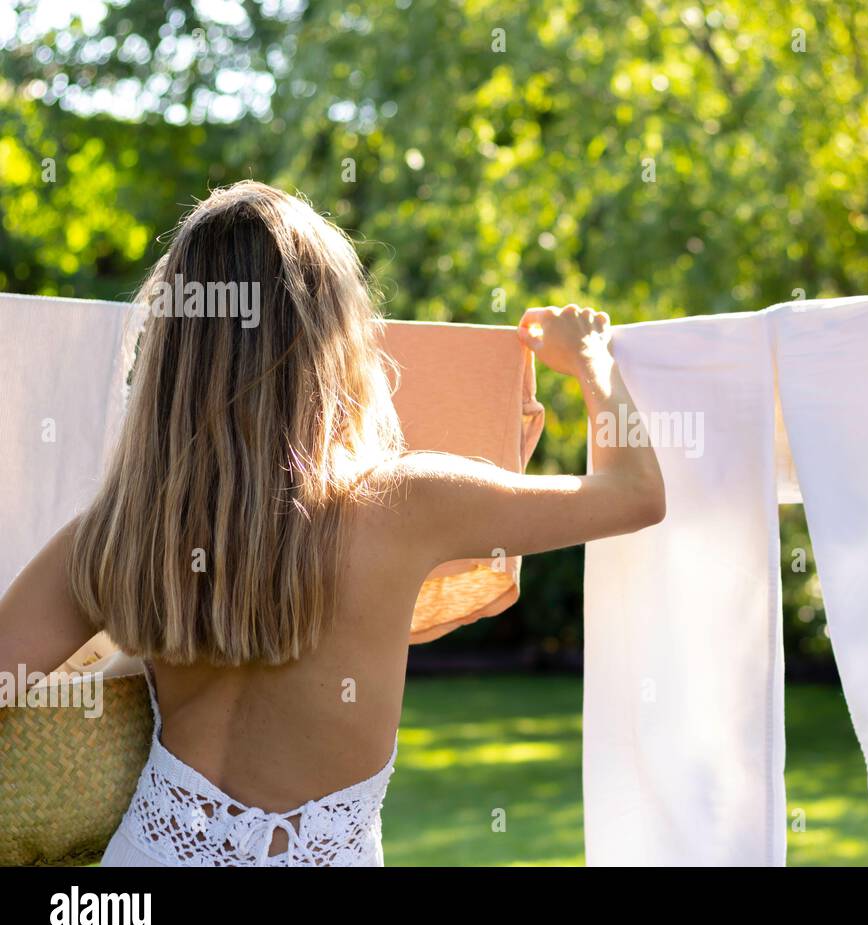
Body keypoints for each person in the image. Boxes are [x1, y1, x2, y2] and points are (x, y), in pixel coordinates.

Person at [0, 181, 665, 866]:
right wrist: (591, 358)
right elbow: (635, 494)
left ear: (176, 348)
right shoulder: (409, 504)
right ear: (332, 334)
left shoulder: (115, 535)